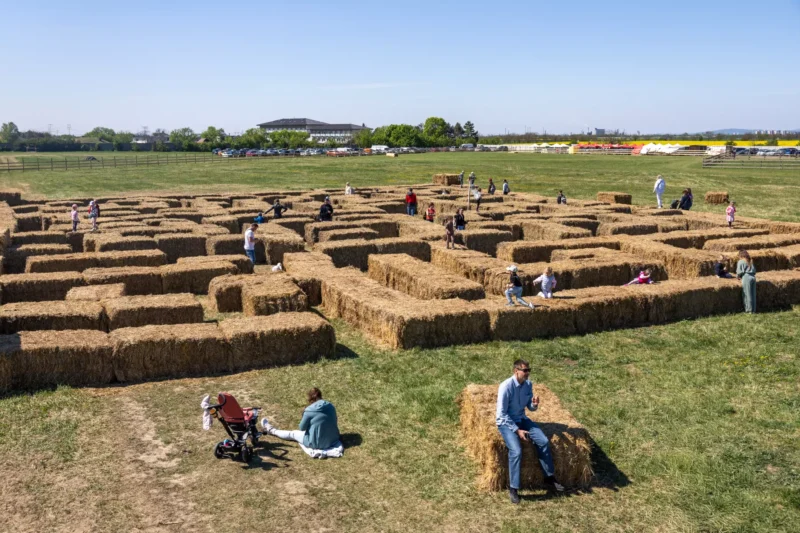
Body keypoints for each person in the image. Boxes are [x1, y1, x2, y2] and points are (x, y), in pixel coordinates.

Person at [496, 359, 565, 504]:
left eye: (529, 370)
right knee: (516, 451)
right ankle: (514, 488)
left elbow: (529, 407)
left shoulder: (528, 385)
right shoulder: (506, 387)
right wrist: (517, 430)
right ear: (516, 371)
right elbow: (501, 414)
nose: (528, 373)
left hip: (522, 419)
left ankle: (549, 477)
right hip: (506, 423)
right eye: (525, 370)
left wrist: (534, 405)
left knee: (543, 441)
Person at [261, 387, 343, 458]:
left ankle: (271, 430)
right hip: (333, 439)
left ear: (310, 399)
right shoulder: (331, 406)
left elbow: (302, 428)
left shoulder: (309, 410)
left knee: (293, 434)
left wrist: (304, 415)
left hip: (315, 443)